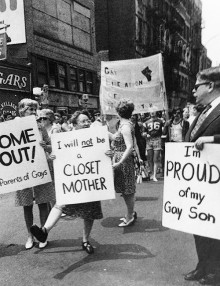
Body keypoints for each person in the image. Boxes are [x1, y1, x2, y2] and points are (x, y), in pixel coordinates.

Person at [30, 110, 113, 254]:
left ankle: (85, 240)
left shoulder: (97, 137)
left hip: (90, 180)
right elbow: (57, 153)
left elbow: (104, 154)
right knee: (61, 203)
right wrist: (52, 152)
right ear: (74, 124)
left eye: (88, 120)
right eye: (83, 121)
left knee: (90, 211)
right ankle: (44, 231)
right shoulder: (66, 138)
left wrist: (108, 154)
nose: (87, 123)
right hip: (72, 180)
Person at [184, 66, 220, 285]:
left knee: (215, 229)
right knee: (199, 226)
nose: (193, 91)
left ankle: (215, 271)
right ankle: (203, 266)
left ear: (210, 85)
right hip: (199, 182)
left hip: (215, 182)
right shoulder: (202, 110)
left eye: (197, 86)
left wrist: (213, 139)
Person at [15, 99, 55, 250]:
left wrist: (46, 146)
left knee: (43, 202)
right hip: (23, 170)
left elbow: (51, 147)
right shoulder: (13, 127)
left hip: (40, 168)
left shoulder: (40, 127)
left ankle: (42, 234)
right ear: (21, 111)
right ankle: (29, 236)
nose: (33, 112)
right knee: (27, 205)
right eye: (29, 109)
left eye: (34, 109)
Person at [109, 99, 137, 227]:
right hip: (121, 160)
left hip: (123, 161)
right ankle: (130, 213)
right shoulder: (124, 124)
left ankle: (130, 216)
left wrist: (120, 162)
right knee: (126, 190)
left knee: (127, 191)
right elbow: (116, 138)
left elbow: (129, 146)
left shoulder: (125, 126)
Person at [142, 111, 164, 181]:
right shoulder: (146, 122)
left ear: (156, 112)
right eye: (151, 111)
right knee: (150, 158)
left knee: (155, 158)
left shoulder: (161, 121)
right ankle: (152, 173)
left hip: (157, 139)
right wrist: (145, 135)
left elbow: (164, 131)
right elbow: (143, 132)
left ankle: (154, 175)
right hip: (149, 140)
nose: (152, 112)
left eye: (153, 111)